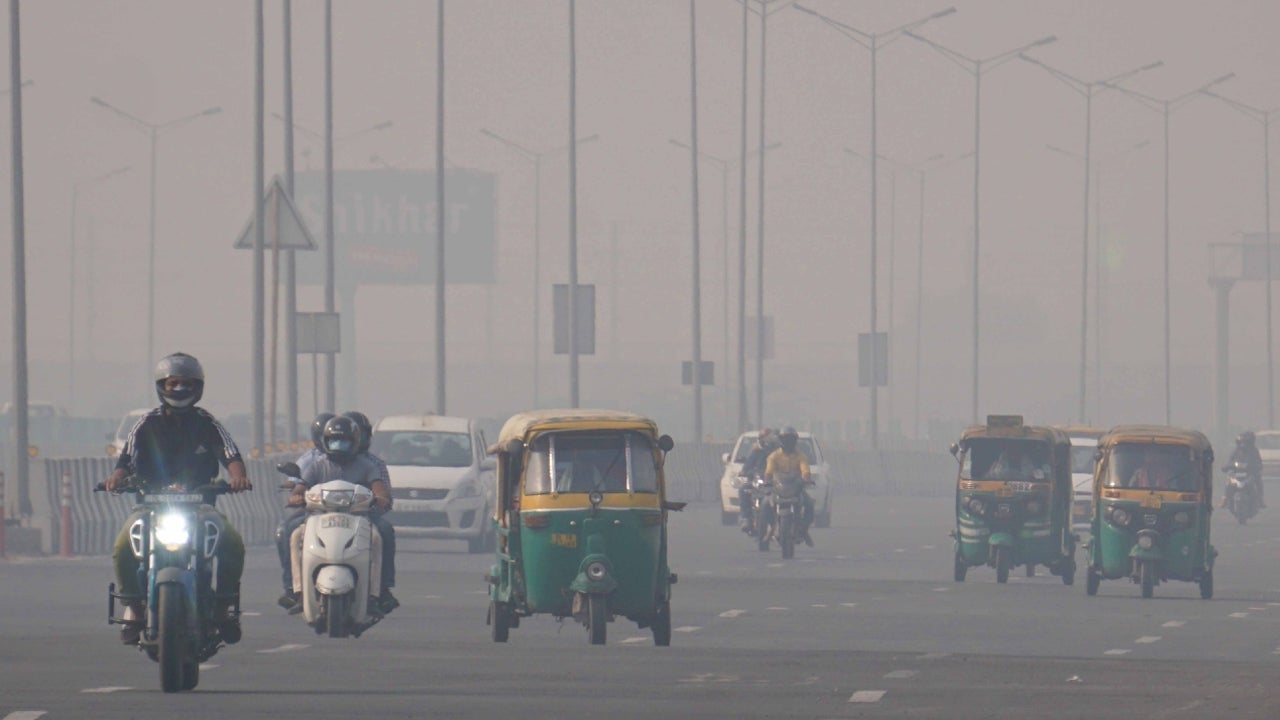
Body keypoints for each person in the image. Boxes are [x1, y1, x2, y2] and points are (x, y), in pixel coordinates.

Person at [103, 352, 251, 645]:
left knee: (232, 543)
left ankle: (222, 609)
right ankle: (133, 607)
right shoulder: (146, 424)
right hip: (149, 507)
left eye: (186, 383)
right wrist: (116, 478)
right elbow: (125, 459)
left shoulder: (208, 423)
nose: (179, 389)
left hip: (201, 507)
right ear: (162, 386)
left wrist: (238, 476)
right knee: (122, 546)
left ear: (198, 387)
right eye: (173, 383)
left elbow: (231, 455)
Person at [286, 416, 396, 614]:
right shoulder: (317, 465)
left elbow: (380, 490)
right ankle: (298, 591)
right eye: (333, 441)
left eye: (343, 442)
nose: (338, 446)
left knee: (380, 535)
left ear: (354, 442)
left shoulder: (367, 466)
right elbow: (299, 489)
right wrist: (296, 497)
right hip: (320, 518)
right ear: (325, 442)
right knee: (294, 536)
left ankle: (376, 593)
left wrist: (380, 498)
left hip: (358, 518)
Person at [275, 411, 334, 608]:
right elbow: (298, 480)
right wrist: (295, 491)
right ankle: (292, 589)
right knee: (284, 531)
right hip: (315, 511)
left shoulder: (357, 460)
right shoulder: (313, 460)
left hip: (349, 511)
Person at [342, 410, 399, 612]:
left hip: (363, 517)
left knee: (383, 532)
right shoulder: (322, 461)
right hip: (327, 516)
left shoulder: (372, 464)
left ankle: (383, 588)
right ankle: (295, 588)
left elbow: (384, 497)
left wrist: (378, 502)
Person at [764, 427, 815, 547]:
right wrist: (767, 480)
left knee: (809, 504)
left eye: (791, 439)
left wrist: (806, 477)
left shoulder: (800, 455)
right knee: (765, 504)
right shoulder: (774, 456)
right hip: (778, 490)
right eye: (785, 439)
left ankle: (803, 530)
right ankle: (771, 528)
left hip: (796, 490)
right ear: (781, 440)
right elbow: (769, 472)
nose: (788, 442)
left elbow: (805, 469)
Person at [737, 428, 776, 533]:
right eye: (765, 438)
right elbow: (749, 464)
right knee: (743, 489)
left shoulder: (779, 452)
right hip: (758, 480)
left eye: (770, 439)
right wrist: (744, 471)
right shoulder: (756, 451)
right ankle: (746, 518)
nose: (767, 441)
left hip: (774, 483)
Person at [1225, 430, 1265, 508]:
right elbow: (1230, 460)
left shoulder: (1254, 451)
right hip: (1237, 472)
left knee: (1258, 480)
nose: (1243, 445)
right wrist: (1227, 466)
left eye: (1246, 442)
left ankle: (1260, 499)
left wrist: (1256, 467)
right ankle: (1225, 498)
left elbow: (1259, 462)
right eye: (1241, 442)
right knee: (1228, 481)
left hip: (1250, 472)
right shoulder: (1236, 450)